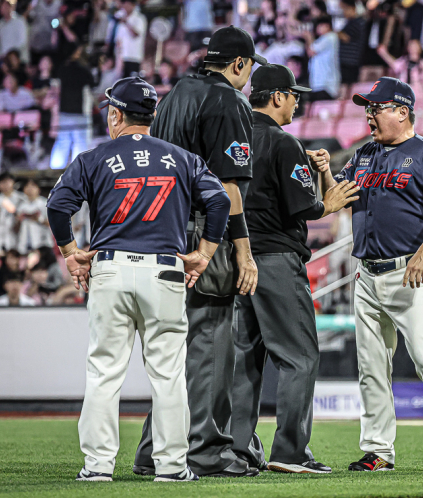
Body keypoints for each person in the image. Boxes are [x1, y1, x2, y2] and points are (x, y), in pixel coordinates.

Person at [46, 76, 231, 482]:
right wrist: (204, 254)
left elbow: (58, 206)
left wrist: (70, 253)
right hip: (164, 271)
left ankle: (96, 467)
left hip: (109, 269)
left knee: (104, 371)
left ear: (115, 113)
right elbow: (219, 201)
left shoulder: (95, 157)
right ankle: (171, 467)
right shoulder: (182, 158)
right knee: (168, 375)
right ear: (153, 115)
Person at [309, 77, 423, 473]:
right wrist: (324, 173)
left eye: (377, 107)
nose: (369, 113)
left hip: (410, 272)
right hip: (367, 274)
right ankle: (378, 451)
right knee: (371, 367)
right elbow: (339, 199)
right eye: (367, 107)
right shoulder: (365, 154)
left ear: (402, 112)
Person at [133, 26, 266, 479]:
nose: (249, 77)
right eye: (249, 68)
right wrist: (243, 252)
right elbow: (228, 186)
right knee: (210, 343)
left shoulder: (173, 95)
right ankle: (206, 451)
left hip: (161, 232)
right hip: (201, 233)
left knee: (175, 349)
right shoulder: (228, 100)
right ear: (238, 65)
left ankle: (155, 449)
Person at [230, 64, 359, 475]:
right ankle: (289, 452)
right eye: (293, 94)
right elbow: (308, 208)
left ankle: (235, 451)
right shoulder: (284, 143)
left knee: (244, 360)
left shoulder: (231, 138)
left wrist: (318, 173)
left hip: (237, 259)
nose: (297, 101)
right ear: (277, 96)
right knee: (299, 356)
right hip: (276, 263)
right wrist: (330, 199)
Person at [50, 45, 95, 169]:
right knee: (80, 143)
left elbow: (56, 89)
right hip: (80, 113)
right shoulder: (84, 70)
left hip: (64, 112)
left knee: (62, 143)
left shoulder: (62, 69)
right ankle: (79, 171)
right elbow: (93, 85)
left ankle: (55, 171)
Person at [305, 16, 340, 101]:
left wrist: (308, 37)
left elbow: (311, 51)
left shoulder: (331, 36)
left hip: (326, 85)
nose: (317, 28)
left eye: (320, 26)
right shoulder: (321, 40)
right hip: (318, 85)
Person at [0, 172, 25, 253]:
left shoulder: (21, 199)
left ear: (13, 183)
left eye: (8, 182)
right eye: (2, 182)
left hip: (14, 235)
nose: (5, 185)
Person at [16, 179, 51, 255]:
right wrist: (18, 220)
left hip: (42, 241)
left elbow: (51, 224)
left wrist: (38, 219)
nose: (30, 189)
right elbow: (16, 227)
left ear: (38, 189)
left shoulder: (45, 203)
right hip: (26, 242)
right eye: (27, 186)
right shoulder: (21, 206)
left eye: (33, 186)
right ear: (24, 190)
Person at [114, 0, 147, 78]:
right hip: (122, 58)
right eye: (124, 5)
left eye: (128, 5)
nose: (125, 7)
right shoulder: (121, 22)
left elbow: (135, 34)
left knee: (132, 82)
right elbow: (118, 40)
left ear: (133, 5)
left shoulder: (140, 19)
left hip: (134, 57)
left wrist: (126, 22)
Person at [338, 0, 367, 85]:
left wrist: (332, 33)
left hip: (350, 61)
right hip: (346, 61)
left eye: (344, 9)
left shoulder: (358, 22)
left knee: (347, 85)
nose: (343, 13)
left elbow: (346, 37)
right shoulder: (351, 22)